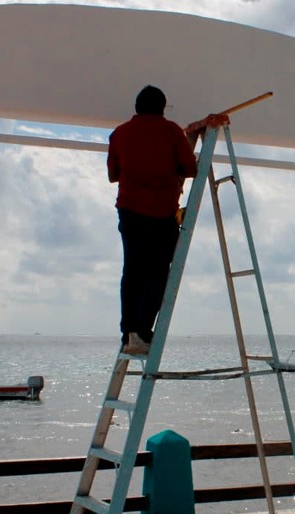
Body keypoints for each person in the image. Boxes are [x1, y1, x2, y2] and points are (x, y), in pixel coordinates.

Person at [107, 85, 224, 356]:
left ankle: (129, 334)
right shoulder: (170, 131)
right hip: (160, 213)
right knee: (158, 272)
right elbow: (191, 169)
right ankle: (143, 331)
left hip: (129, 211)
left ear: (137, 107)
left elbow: (114, 175)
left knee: (133, 272)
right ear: (162, 107)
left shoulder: (120, 134)